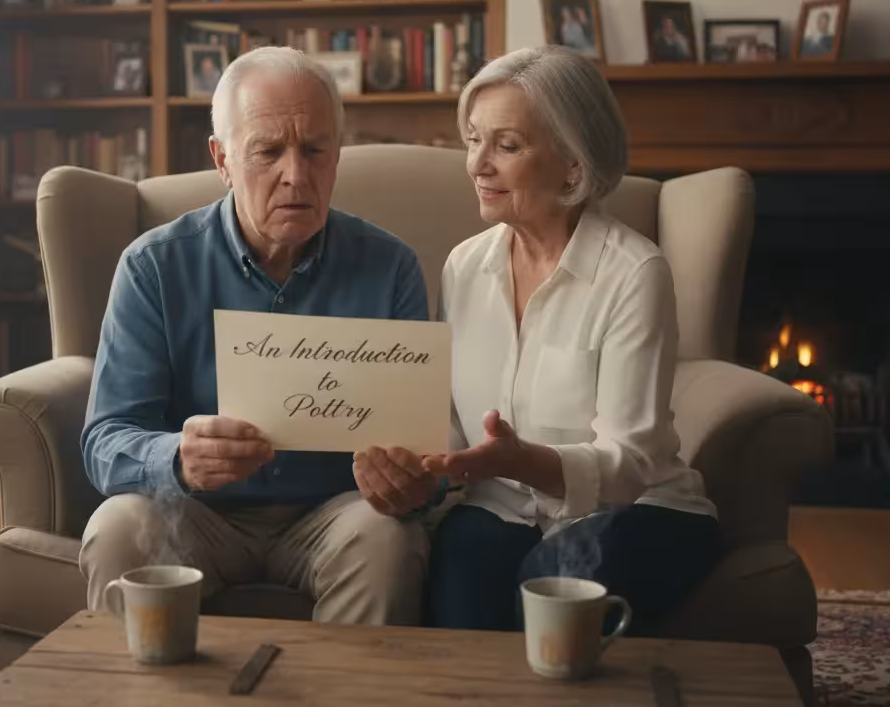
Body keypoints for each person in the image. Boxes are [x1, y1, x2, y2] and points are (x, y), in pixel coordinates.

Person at [79, 46, 434, 626]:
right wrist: (177, 458)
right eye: (268, 151)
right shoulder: (153, 266)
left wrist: (411, 480)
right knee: (117, 529)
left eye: (315, 149)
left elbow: (425, 452)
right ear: (222, 159)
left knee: (388, 541)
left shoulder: (391, 267)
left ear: (337, 155)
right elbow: (104, 440)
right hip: (196, 512)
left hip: (335, 510)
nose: (296, 174)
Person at [420, 46, 720, 632]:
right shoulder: (462, 267)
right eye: (473, 139)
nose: (478, 164)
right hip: (500, 508)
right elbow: (451, 432)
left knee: (555, 586)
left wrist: (523, 460)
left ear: (574, 168)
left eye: (507, 146)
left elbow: (631, 464)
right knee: (458, 607)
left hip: (633, 511)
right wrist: (419, 464)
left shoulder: (635, 272)